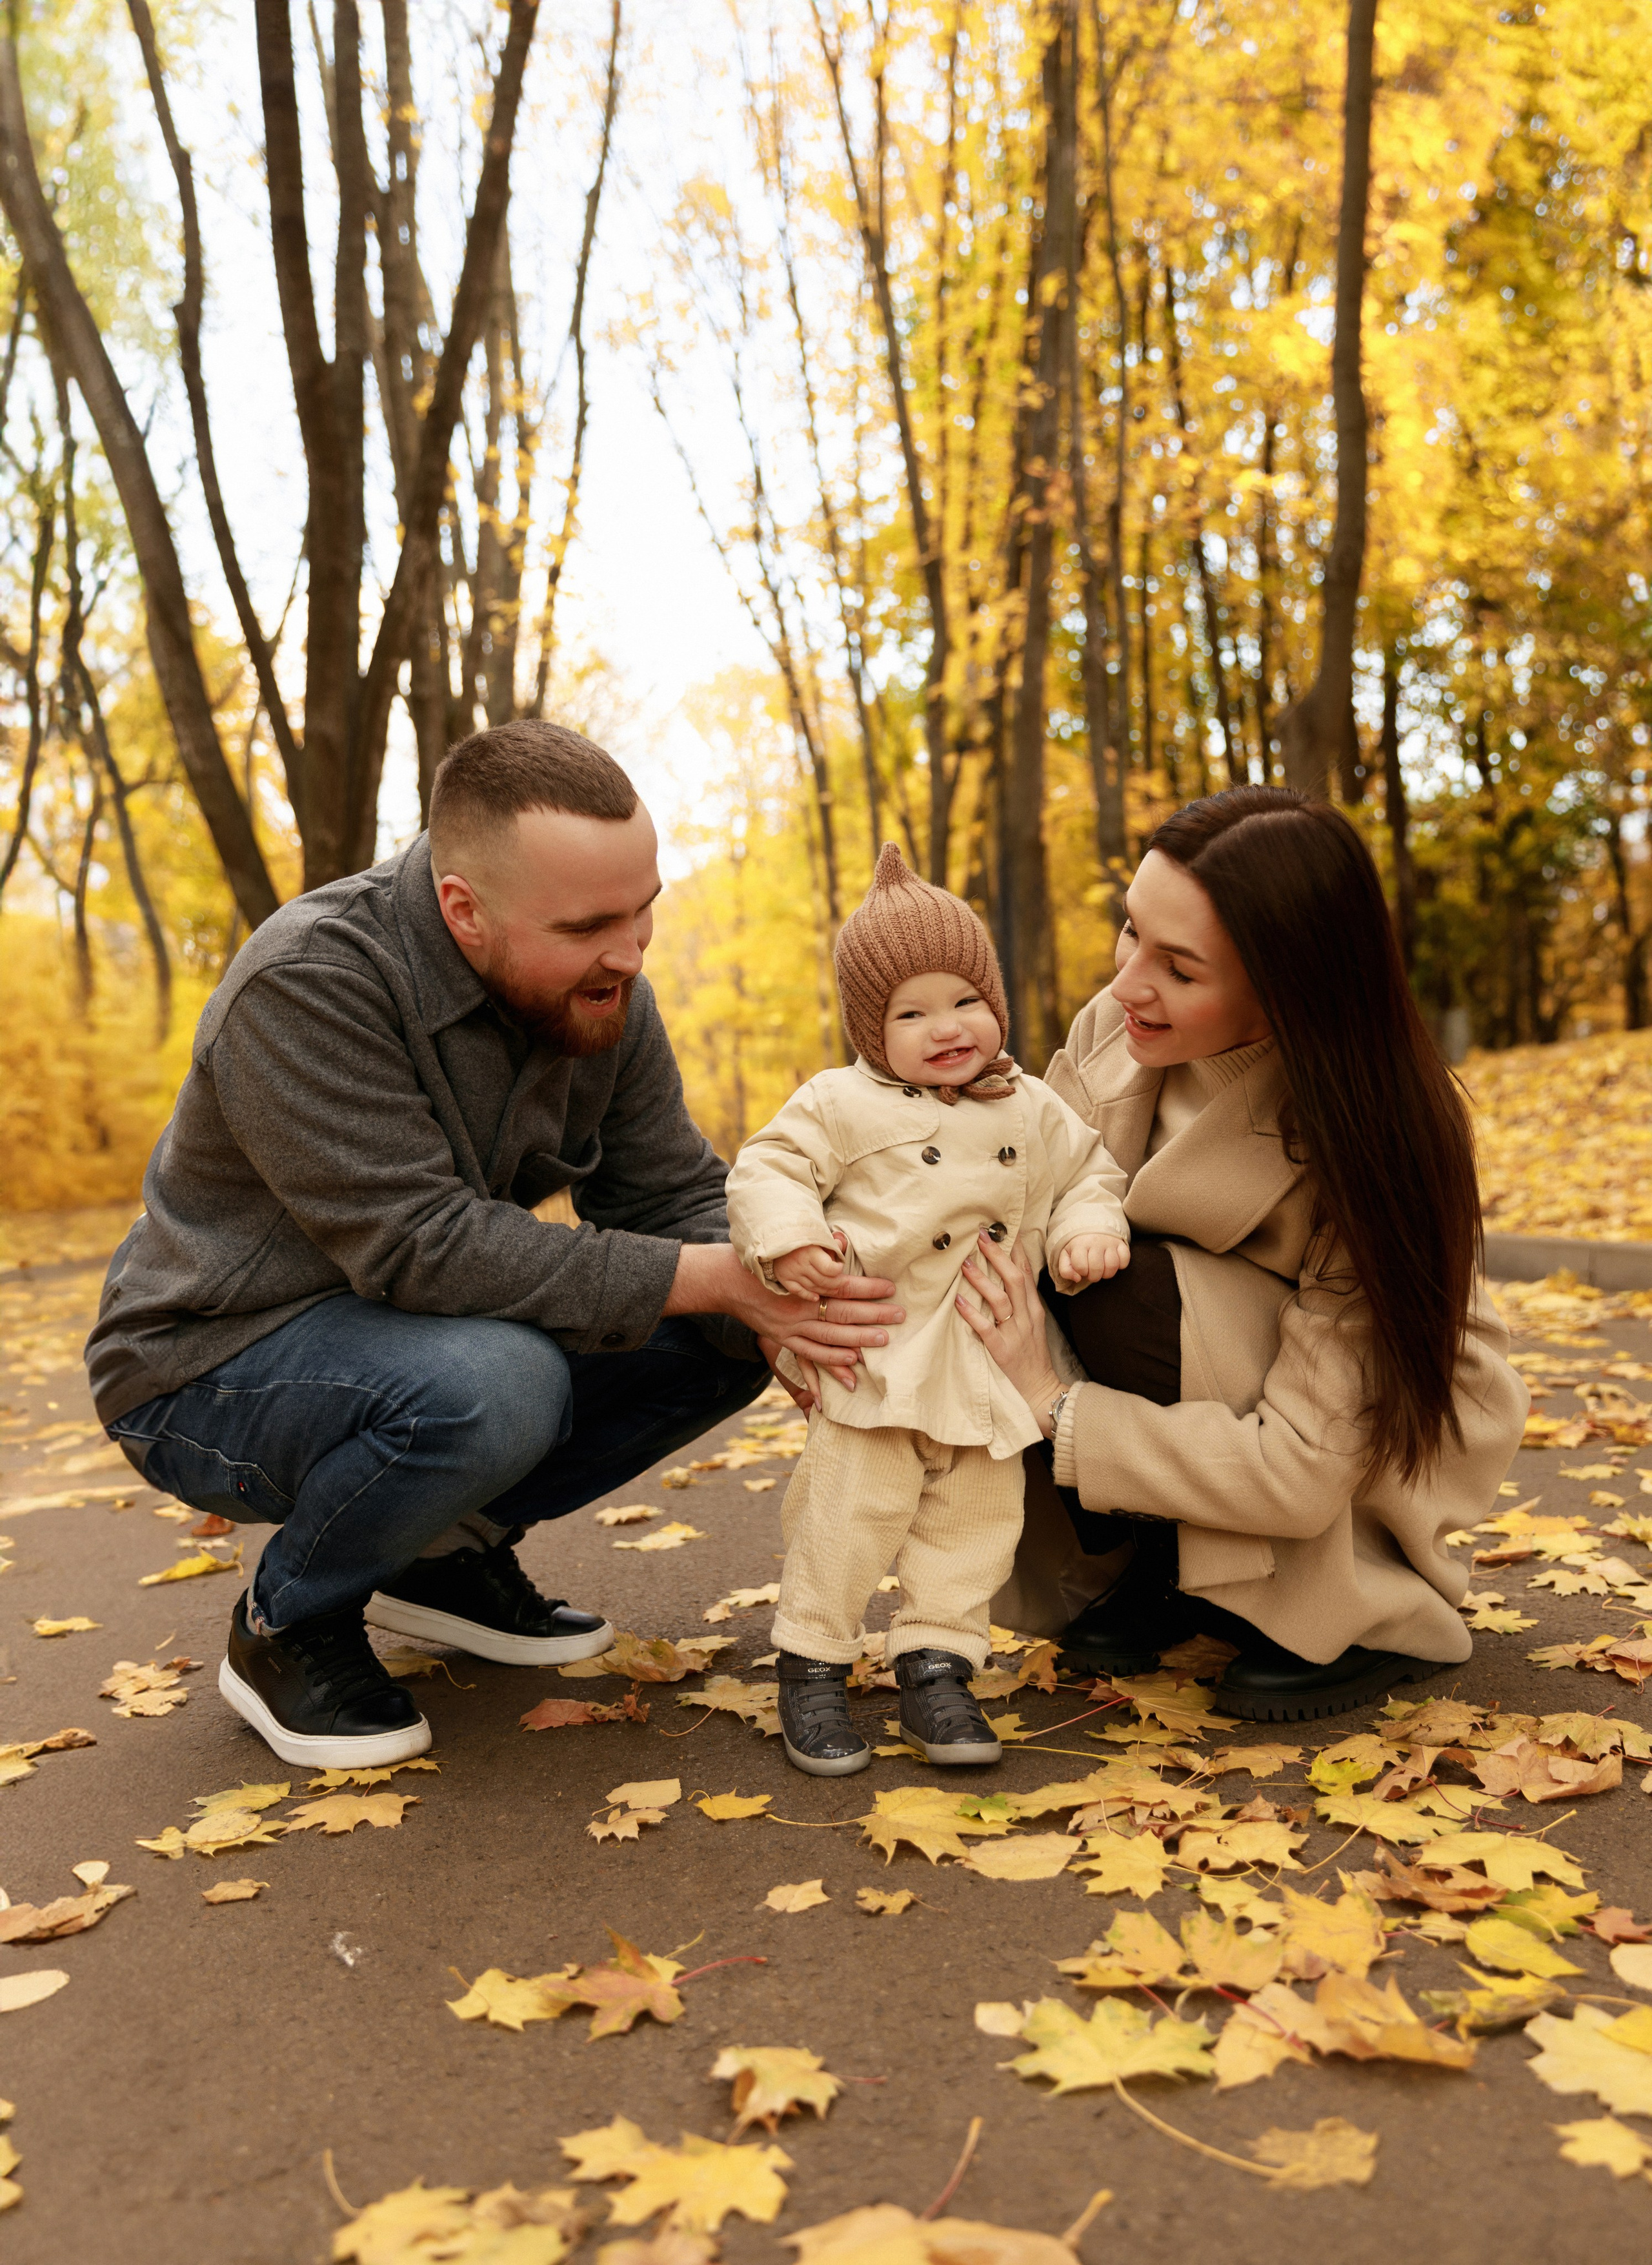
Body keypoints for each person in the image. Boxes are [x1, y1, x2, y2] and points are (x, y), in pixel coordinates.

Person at [85, 722, 903, 1769]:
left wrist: (788, 1287)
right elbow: (422, 1247)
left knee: (729, 1327)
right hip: (207, 1365)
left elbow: (674, 1195)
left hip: (404, 1334)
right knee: (496, 1381)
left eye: (645, 907)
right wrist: (717, 1277)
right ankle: (287, 1625)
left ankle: (437, 1551)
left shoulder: (607, 991)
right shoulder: (306, 984)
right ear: (464, 909)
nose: (631, 950)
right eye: (589, 924)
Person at [955, 784, 1529, 1723]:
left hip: (1360, 1439)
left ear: (1286, 991)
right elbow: (1015, 1200)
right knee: (1020, 1259)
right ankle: (1165, 1566)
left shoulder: (1379, 1134)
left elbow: (1303, 1464)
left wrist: (1051, 1404)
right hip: (1202, 1358)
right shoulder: (1116, 1028)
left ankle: (1350, 1608)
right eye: (1129, 930)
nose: (1130, 979)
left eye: (1180, 967)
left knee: (1112, 1285)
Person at [725, 845, 1131, 1775]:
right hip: (878, 1357)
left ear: (995, 1000)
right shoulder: (840, 1100)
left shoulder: (1032, 1104)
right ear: (871, 1026)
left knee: (974, 1530)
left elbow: (1087, 1174)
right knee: (845, 1518)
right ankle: (814, 1663)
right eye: (911, 1011)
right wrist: (789, 1239)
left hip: (988, 1367)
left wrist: (1085, 1230)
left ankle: (938, 1665)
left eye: (966, 1000)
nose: (946, 1026)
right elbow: (769, 1167)